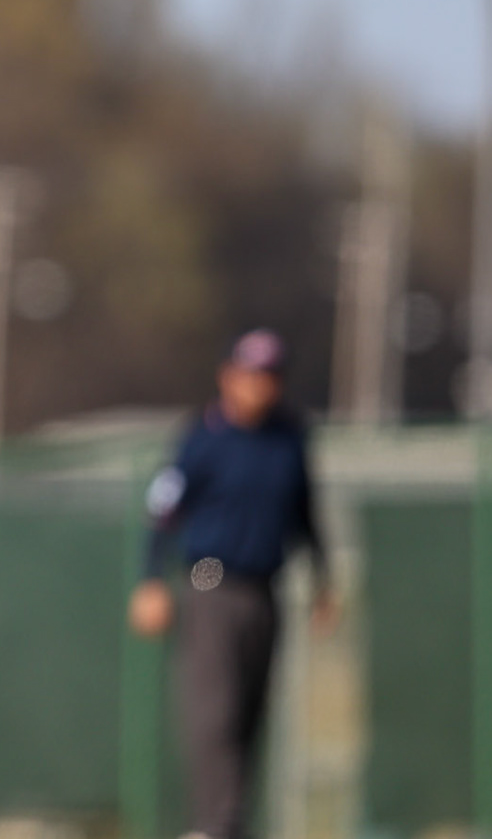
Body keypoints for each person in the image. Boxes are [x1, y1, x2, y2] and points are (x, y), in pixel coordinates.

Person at [127, 328, 336, 839]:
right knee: (213, 713)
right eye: (251, 374)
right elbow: (163, 511)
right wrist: (151, 579)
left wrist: (323, 577)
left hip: (266, 588)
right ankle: (213, 826)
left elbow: (306, 511)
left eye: (271, 375)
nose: (260, 385)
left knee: (250, 713)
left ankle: (232, 824)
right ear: (228, 376)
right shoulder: (202, 437)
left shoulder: (289, 438)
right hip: (209, 584)